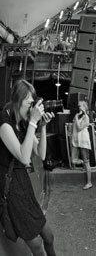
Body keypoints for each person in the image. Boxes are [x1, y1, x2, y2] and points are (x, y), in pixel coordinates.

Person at [0, 79, 56, 255]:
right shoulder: (4, 123)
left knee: (49, 237)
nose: (33, 109)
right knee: (37, 247)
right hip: (11, 190)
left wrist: (43, 127)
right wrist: (33, 122)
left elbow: (41, 154)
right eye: (30, 104)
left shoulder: (23, 123)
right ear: (18, 101)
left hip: (24, 185)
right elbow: (24, 158)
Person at [71, 101, 93, 190]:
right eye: (78, 106)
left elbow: (80, 128)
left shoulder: (86, 117)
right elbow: (74, 127)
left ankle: (89, 182)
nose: (79, 108)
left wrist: (76, 117)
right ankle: (84, 164)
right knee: (73, 161)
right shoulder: (77, 116)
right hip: (76, 141)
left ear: (84, 107)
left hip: (83, 140)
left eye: (80, 106)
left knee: (86, 161)